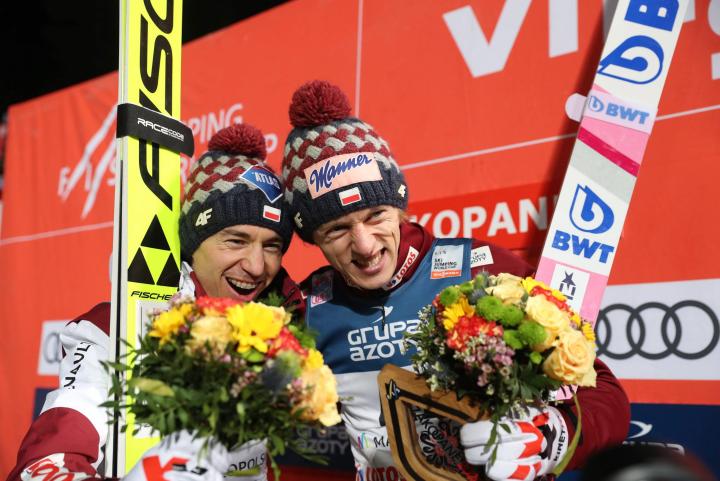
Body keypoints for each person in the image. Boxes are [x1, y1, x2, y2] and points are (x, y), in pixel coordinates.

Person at [280, 80, 631, 481]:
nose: (364, 245)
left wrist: (550, 437)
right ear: (313, 238)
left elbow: (604, 393)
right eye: (337, 230)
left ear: (399, 207)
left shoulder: (482, 272)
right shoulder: (309, 307)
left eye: (376, 215)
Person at [8, 123, 299, 481]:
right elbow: (48, 460)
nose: (256, 266)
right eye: (236, 241)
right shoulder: (116, 328)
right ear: (193, 243)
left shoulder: (285, 328)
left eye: (272, 246)